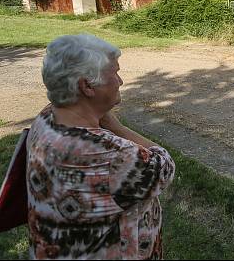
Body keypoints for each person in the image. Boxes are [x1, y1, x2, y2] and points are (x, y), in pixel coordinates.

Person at [26, 34, 175, 259]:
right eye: (114, 72)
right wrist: (117, 126)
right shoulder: (110, 154)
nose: (120, 81)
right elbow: (164, 165)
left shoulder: (46, 119)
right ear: (87, 86)